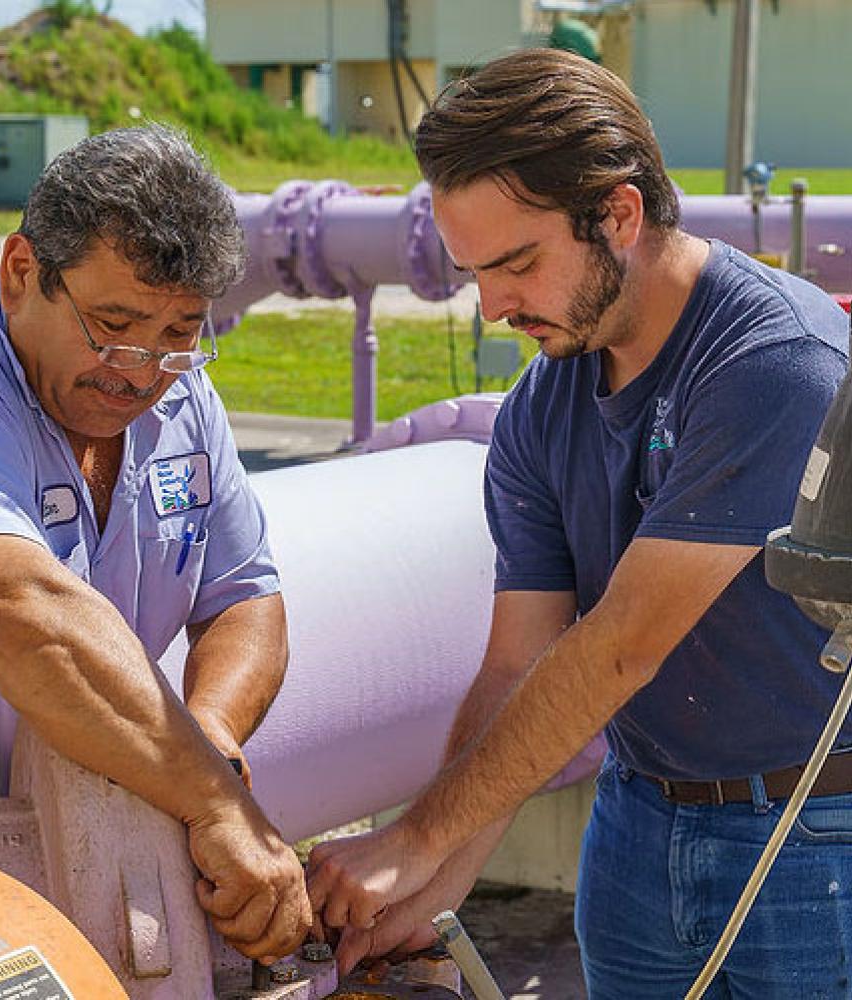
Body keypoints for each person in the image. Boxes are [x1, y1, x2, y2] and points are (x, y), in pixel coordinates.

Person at [306, 49, 852, 997]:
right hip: (636, 827)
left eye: (518, 263)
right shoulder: (539, 407)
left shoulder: (773, 362)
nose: (495, 305)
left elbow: (618, 648)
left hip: (811, 839)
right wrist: (435, 887)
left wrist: (414, 835)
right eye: (474, 272)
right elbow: (518, 665)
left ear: (620, 215)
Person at [0, 124, 310, 965]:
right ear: (23, 272)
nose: (138, 370)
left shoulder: (184, 394)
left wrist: (202, 743)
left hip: (89, 843)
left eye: (179, 332)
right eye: (114, 324)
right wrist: (212, 802)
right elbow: (24, 620)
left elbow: (247, 598)